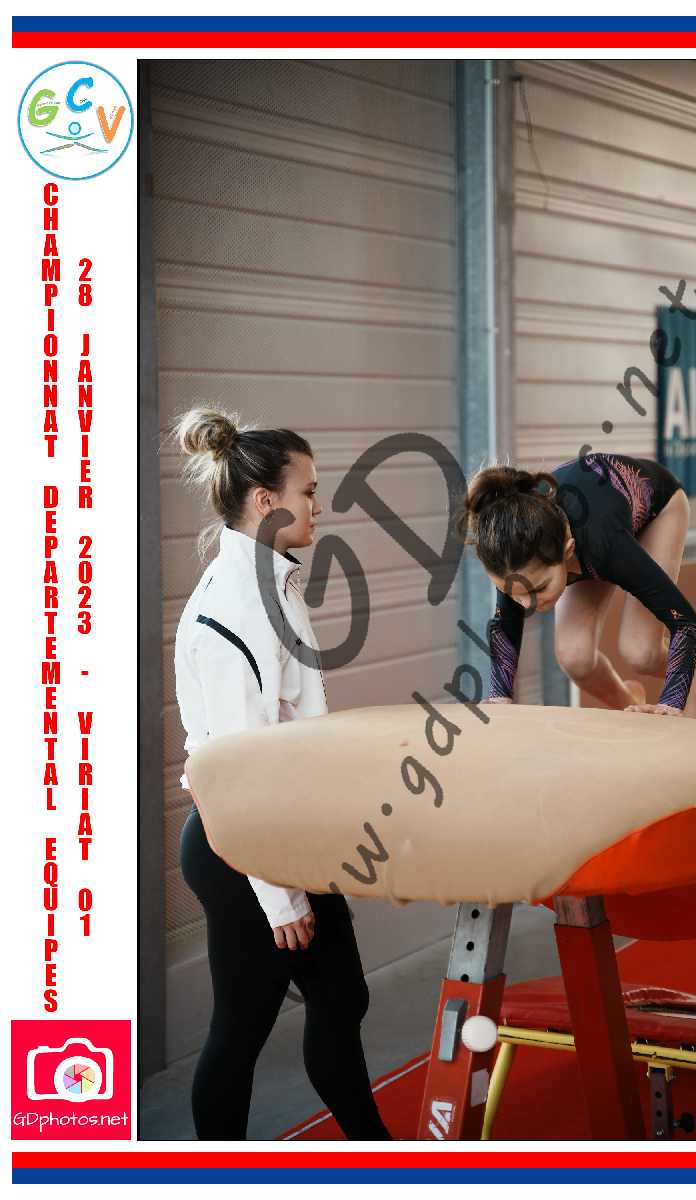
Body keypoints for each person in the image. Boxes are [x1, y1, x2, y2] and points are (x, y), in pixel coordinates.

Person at [172, 407, 391, 1140]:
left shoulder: (273, 583)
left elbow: (293, 729)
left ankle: (377, 1155)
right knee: (242, 1029)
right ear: (267, 502)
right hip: (240, 849)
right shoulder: (234, 608)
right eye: (310, 491)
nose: (318, 504)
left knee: (342, 999)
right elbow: (241, 776)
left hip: (279, 836)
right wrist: (280, 897)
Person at [456, 449, 696, 717]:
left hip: (659, 510)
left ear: (568, 551)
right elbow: (505, 626)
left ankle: (685, 680)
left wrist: (671, 702)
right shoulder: (514, 555)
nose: (527, 604)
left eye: (539, 589)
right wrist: (499, 696)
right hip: (597, 523)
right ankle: (630, 704)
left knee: (641, 652)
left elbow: (686, 623)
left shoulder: (604, 546)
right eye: (514, 594)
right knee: (575, 657)